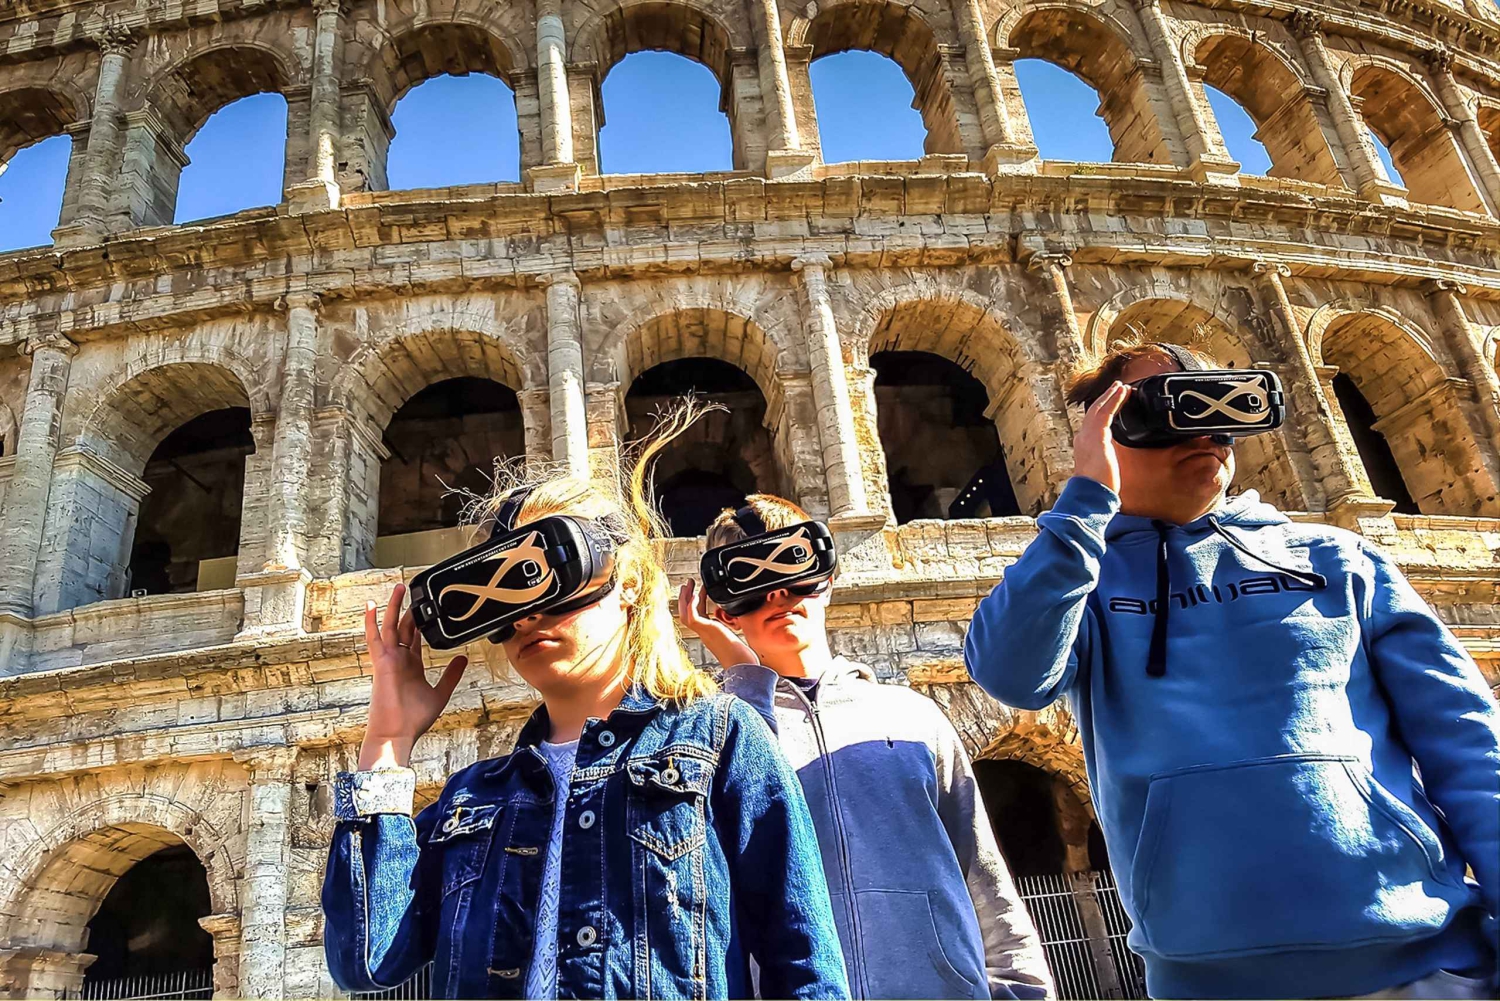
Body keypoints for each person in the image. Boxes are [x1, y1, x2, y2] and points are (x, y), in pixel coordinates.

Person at [963, 341, 1500, 999]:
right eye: (1167, 407)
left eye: (1220, 399)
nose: (1205, 427)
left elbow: (1472, 751)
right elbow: (1010, 675)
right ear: (1107, 426)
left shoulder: (1337, 558)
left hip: (1422, 965)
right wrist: (1083, 504)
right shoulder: (1080, 584)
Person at [321, 411, 851, 1000]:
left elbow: (803, 966)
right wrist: (387, 745)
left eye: (546, 575)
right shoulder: (471, 796)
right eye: (493, 596)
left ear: (625, 580)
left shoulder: (724, 736)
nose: (524, 614)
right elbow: (365, 962)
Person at [678, 493, 1054, 1000]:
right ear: (722, 608)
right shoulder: (712, 741)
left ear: (828, 577)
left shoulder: (914, 717)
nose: (776, 597)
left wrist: (1025, 990)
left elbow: (982, 875)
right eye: (749, 584)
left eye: (793, 568)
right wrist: (740, 672)